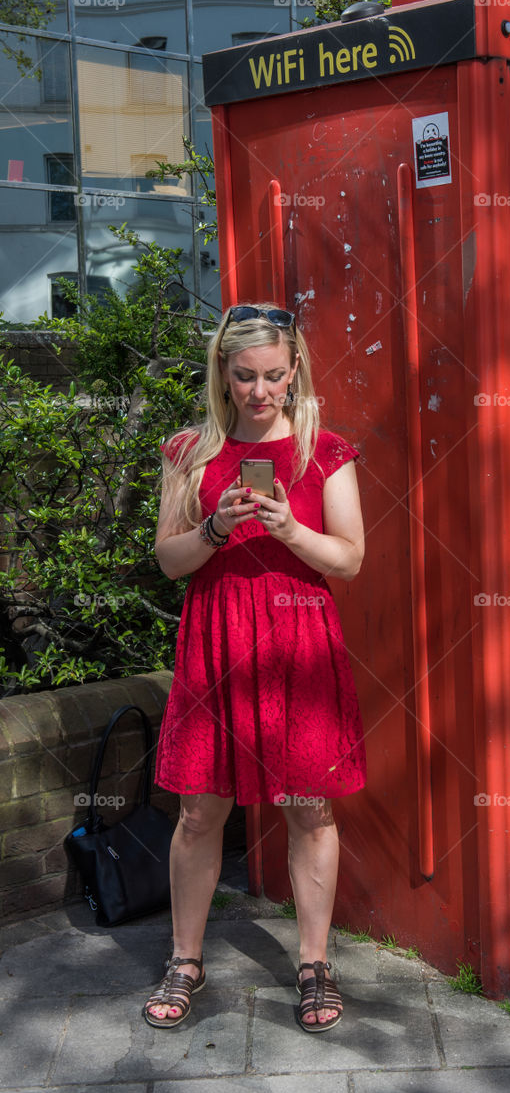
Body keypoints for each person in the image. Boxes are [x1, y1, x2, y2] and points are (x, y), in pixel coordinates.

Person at [142, 303, 366, 1033]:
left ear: (293, 370)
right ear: (222, 373)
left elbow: (351, 558)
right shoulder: (188, 452)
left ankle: (313, 963)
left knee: (309, 806)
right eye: (245, 376)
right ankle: (185, 958)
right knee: (201, 808)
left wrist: (290, 529)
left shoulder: (323, 451)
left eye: (274, 375)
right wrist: (213, 527)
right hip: (216, 640)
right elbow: (169, 561)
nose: (260, 391)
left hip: (298, 643)